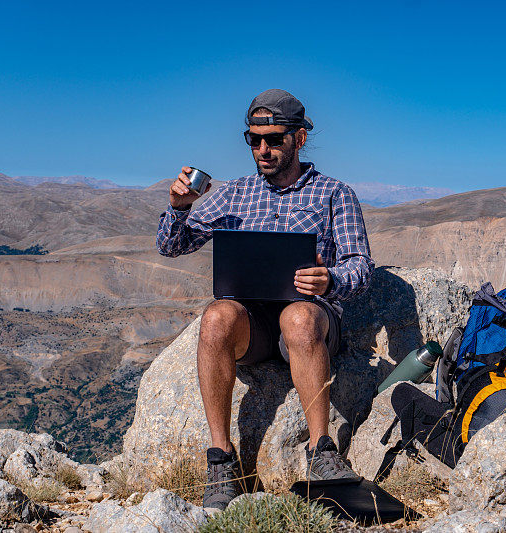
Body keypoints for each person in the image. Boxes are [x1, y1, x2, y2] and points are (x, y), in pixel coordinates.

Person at [156, 88, 374, 510]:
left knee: (298, 318)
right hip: (252, 324)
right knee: (217, 316)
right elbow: (172, 246)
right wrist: (179, 209)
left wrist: (329, 279)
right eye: (253, 140)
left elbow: (360, 267)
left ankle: (322, 452)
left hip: (312, 319)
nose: (262, 149)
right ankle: (222, 462)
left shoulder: (334, 194)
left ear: (299, 139)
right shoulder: (233, 194)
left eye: (274, 139)